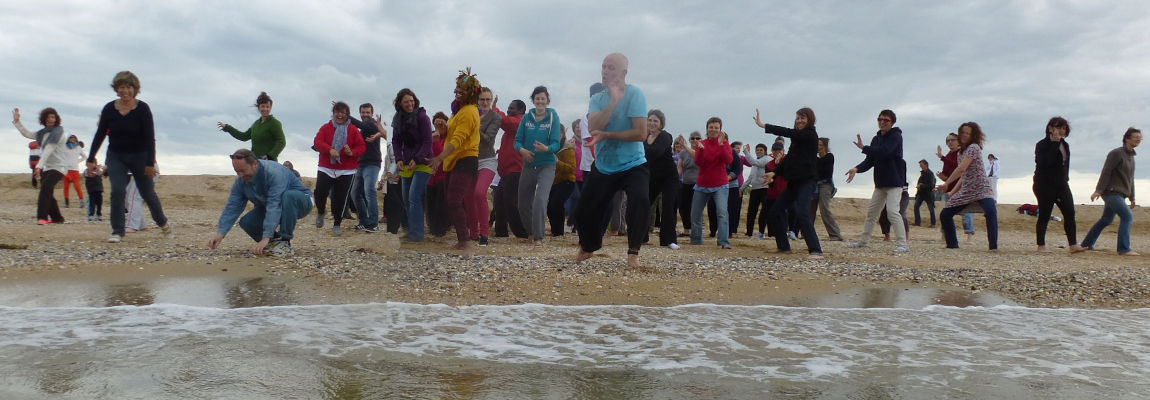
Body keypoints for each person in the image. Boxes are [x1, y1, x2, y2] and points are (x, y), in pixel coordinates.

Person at [573, 53, 652, 269]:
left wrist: (608, 135)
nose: (605, 71)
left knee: (640, 200)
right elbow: (594, 125)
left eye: (610, 68)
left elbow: (640, 133)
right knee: (582, 211)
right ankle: (589, 246)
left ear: (623, 73)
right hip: (604, 166)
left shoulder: (636, 94)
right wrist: (613, 101)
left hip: (633, 163)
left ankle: (633, 252)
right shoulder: (597, 98)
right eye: (603, 67)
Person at [86, 71, 173, 243]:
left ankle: (163, 223)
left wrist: (149, 163)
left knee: (148, 194)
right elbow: (100, 134)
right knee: (117, 191)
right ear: (116, 89)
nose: (125, 91)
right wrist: (91, 158)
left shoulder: (142, 108)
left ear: (135, 89)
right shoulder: (109, 108)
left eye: (129, 87)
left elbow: (150, 137)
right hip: (116, 155)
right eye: (121, 87)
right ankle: (118, 231)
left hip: (140, 156)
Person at [208, 149, 313, 257]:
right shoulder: (240, 181)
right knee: (246, 222)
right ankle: (274, 243)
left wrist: (265, 237)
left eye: (243, 170)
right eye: (237, 171)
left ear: (255, 163)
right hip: (270, 205)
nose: (240, 175)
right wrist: (221, 233)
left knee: (288, 196)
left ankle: (284, 241)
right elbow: (232, 207)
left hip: (301, 202)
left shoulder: (275, 172)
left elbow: (274, 204)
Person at [755, 108, 825, 260]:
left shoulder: (809, 135)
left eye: (803, 118)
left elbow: (788, 132)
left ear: (810, 119)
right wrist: (774, 173)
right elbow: (789, 159)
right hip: (794, 182)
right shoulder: (798, 139)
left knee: (802, 213)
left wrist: (764, 125)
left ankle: (816, 251)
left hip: (807, 181)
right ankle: (783, 246)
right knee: (775, 211)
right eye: (798, 118)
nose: (799, 120)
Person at [428, 68, 483, 258]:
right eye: (458, 86)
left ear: (472, 94)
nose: (458, 90)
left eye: (464, 89)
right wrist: (443, 130)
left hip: (466, 159)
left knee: (454, 199)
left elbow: (458, 140)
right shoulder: (457, 111)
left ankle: (467, 244)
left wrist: (438, 158)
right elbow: (451, 134)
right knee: (450, 200)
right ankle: (462, 240)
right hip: (453, 161)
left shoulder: (469, 112)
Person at [845, 110, 909, 253]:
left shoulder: (896, 136)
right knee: (871, 214)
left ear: (892, 122)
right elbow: (870, 160)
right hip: (880, 183)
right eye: (880, 119)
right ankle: (863, 241)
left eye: (886, 120)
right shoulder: (876, 139)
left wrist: (864, 148)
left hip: (895, 182)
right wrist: (856, 168)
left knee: (892, 212)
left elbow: (885, 151)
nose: (882, 122)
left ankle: (903, 244)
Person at [936, 122, 998, 250]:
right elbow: (963, 176)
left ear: (972, 135)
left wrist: (946, 183)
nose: (964, 135)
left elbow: (961, 169)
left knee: (991, 211)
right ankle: (952, 244)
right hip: (967, 190)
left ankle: (993, 247)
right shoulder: (961, 153)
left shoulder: (974, 147)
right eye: (962, 132)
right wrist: (952, 192)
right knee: (945, 214)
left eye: (967, 133)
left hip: (982, 187)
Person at [1080, 128, 1141, 256]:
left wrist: (1132, 197)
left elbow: (1131, 179)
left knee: (1106, 219)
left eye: (1140, 137)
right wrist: (1098, 190)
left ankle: (1086, 244)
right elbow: (1106, 172)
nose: (1138, 139)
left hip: (1121, 194)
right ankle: (1124, 248)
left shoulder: (1131, 157)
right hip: (1111, 192)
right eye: (1135, 137)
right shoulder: (1116, 153)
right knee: (1127, 216)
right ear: (1127, 139)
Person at [516, 86, 563, 245]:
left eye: (543, 98)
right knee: (523, 201)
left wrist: (547, 149)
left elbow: (556, 143)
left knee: (540, 200)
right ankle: (531, 231)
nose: (540, 101)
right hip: (529, 164)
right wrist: (522, 150)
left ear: (547, 100)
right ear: (533, 100)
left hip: (547, 165)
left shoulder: (553, 118)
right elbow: (517, 141)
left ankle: (538, 237)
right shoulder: (526, 118)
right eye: (537, 98)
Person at [311, 101, 365, 236]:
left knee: (341, 198)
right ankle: (321, 211)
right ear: (333, 113)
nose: (340, 115)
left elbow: (362, 147)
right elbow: (317, 142)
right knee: (320, 193)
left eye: (343, 112)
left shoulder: (353, 130)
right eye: (337, 112)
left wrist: (352, 152)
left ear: (347, 115)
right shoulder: (326, 127)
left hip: (347, 169)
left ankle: (337, 223)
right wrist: (329, 149)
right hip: (326, 167)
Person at [1033, 117, 1086, 254]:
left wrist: (1065, 179)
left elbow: (1065, 164)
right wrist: (1054, 144)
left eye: (1063, 128)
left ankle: (1073, 244)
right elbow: (1046, 162)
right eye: (1058, 128)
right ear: (1050, 128)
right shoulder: (1042, 144)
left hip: (1061, 184)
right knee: (1045, 214)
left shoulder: (1065, 145)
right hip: (1044, 184)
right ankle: (1041, 246)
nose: (1061, 131)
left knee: (1069, 212)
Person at [392, 88, 434, 242]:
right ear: (400, 104)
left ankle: (417, 235)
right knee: (406, 199)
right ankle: (411, 230)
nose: (409, 104)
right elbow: (396, 141)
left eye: (411, 101)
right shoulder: (398, 119)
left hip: (423, 162)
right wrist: (398, 158)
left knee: (414, 197)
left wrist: (417, 159)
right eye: (406, 102)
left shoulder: (423, 117)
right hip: (407, 162)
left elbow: (428, 141)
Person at [13, 108, 68, 224]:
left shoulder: (59, 133)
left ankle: (42, 218)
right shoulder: (42, 133)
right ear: (43, 119)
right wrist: (17, 122)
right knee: (47, 190)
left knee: (45, 188)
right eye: (48, 117)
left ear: (56, 119)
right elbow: (27, 133)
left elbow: (48, 149)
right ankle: (58, 218)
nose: (50, 119)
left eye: (52, 117)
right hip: (47, 166)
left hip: (60, 166)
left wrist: (38, 166)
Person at [689, 118, 734, 248]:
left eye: (716, 128)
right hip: (702, 183)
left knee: (721, 213)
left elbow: (728, 160)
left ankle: (723, 241)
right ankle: (696, 239)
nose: (713, 130)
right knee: (695, 213)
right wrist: (701, 150)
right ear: (707, 129)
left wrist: (721, 145)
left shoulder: (725, 143)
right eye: (711, 127)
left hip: (720, 184)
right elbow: (699, 163)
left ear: (720, 130)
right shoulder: (701, 143)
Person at [643, 109, 680, 249]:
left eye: (655, 121)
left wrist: (638, 145)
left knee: (668, 206)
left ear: (661, 123)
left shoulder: (665, 136)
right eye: (650, 120)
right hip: (652, 176)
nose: (652, 123)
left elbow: (656, 152)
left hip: (669, 176)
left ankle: (669, 240)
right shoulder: (644, 138)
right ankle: (641, 236)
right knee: (644, 203)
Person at [347, 103, 387, 233]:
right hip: (361, 163)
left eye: (367, 112)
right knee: (355, 193)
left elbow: (360, 124)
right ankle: (363, 221)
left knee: (369, 191)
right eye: (363, 112)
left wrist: (345, 114)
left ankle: (373, 223)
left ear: (371, 113)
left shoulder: (373, 124)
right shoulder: (362, 130)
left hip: (373, 162)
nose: (365, 115)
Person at [493, 100, 528, 238]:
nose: (508, 110)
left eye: (511, 108)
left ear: (521, 111)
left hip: (516, 169)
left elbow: (505, 121)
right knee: (499, 201)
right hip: (506, 171)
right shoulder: (510, 129)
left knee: (510, 201)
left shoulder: (520, 123)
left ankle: (523, 233)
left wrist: (494, 108)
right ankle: (501, 233)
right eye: (508, 108)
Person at [217, 92, 286, 161]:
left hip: (269, 163)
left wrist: (270, 156)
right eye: (263, 106)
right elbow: (243, 136)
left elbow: (282, 141)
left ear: (270, 108)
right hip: (255, 163)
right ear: (258, 108)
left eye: (267, 107)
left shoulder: (274, 123)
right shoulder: (256, 124)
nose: (265, 109)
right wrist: (227, 128)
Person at [936, 132, 976, 242]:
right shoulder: (948, 156)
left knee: (967, 214)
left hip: (963, 188)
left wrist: (942, 157)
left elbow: (958, 167)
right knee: (946, 213)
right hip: (950, 190)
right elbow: (948, 174)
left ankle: (970, 237)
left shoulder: (962, 153)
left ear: (958, 141)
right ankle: (944, 236)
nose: (950, 142)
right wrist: (943, 177)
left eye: (952, 140)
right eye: (948, 141)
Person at [473, 87, 500, 245]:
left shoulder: (495, 117)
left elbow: (489, 139)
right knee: (468, 196)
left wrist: (473, 127)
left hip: (488, 159)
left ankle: (484, 233)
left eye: (487, 99)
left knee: (479, 192)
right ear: (477, 100)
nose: (484, 102)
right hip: (470, 159)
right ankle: (473, 232)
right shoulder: (470, 113)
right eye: (482, 99)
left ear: (491, 100)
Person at [809, 137, 844, 241]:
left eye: (820, 145)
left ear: (825, 146)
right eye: (817, 145)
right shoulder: (814, 159)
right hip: (814, 185)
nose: (818, 147)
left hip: (826, 185)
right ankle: (807, 233)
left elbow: (823, 171)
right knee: (810, 210)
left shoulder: (829, 157)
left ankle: (835, 234)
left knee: (824, 209)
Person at [548, 125, 577, 236]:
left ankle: (559, 233)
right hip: (553, 181)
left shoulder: (568, 148)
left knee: (557, 203)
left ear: (562, 134)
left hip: (567, 180)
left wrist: (557, 162)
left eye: (557, 134)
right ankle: (554, 230)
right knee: (548, 205)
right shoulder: (549, 147)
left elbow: (571, 168)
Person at [425, 113, 450, 237]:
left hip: (444, 175)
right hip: (430, 176)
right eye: (436, 123)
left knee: (441, 204)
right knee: (430, 203)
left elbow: (443, 155)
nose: (439, 125)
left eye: (441, 122)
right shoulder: (429, 137)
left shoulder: (448, 139)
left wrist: (436, 141)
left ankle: (440, 230)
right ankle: (432, 227)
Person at [742, 143, 771, 238]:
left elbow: (754, 162)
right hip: (755, 189)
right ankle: (749, 232)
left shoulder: (766, 159)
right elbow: (750, 178)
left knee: (765, 212)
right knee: (751, 211)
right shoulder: (756, 162)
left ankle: (765, 232)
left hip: (764, 189)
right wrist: (741, 189)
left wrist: (746, 151)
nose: (758, 151)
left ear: (765, 151)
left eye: (761, 150)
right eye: (757, 150)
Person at [677, 132, 701, 237]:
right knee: (683, 208)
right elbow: (680, 167)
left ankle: (696, 231)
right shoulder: (683, 153)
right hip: (686, 183)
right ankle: (686, 229)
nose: (695, 140)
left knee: (695, 208)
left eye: (697, 138)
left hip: (698, 184)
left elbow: (697, 158)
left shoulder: (702, 151)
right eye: (692, 138)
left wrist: (685, 146)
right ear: (689, 139)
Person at [61, 135, 86, 209]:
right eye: (71, 138)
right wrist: (63, 163)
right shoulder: (64, 147)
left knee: (77, 186)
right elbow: (60, 155)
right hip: (66, 169)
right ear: (68, 139)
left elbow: (84, 156)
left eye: (74, 138)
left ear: (76, 139)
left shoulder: (78, 147)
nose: (72, 139)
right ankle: (66, 203)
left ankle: (81, 202)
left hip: (75, 169)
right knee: (66, 187)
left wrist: (77, 161)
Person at [913, 160, 937, 227]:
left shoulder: (930, 174)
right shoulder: (922, 174)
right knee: (916, 206)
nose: (920, 166)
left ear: (926, 165)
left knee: (931, 208)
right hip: (921, 193)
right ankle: (917, 222)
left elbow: (931, 185)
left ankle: (933, 223)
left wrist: (921, 186)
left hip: (928, 194)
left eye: (921, 165)